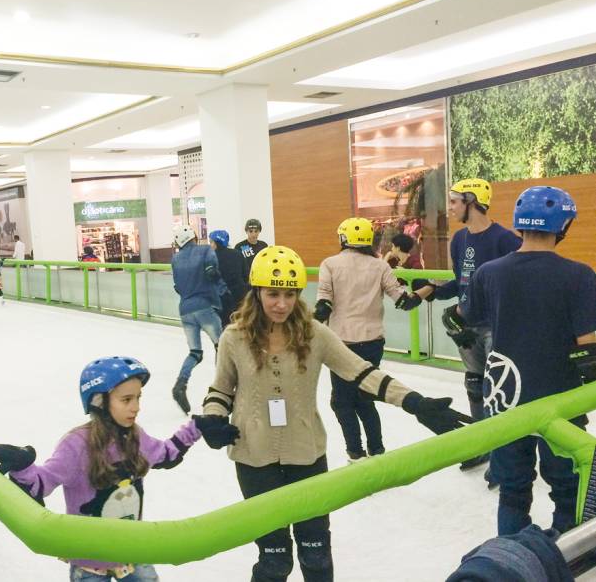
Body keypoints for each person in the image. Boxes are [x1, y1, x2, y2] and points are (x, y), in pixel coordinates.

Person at [199, 245, 471, 582]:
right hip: (253, 459)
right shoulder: (234, 337)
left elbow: (362, 372)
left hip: (306, 455)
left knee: (316, 555)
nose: (282, 304)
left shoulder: (315, 334)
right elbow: (221, 389)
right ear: (257, 292)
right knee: (274, 560)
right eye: (272, 294)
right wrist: (213, 418)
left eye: (290, 294)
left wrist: (414, 402)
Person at [0, 356, 235, 582]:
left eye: (138, 398)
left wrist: (197, 427)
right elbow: (41, 482)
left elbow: (165, 454)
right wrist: (21, 464)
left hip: (132, 552)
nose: (136, 408)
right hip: (90, 564)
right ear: (99, 401)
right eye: (126, 400)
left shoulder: (135, 436)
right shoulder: (76, 445)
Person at [451, 186, 596, 536]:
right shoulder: (580, 276)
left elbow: (462, 317)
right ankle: (564, 559)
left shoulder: (489, 272)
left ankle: (514, 558)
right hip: (559, 401)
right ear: (563, 226)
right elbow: (589, 352)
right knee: (567, 488)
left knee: (513, 490)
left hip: (505, 398)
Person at [414, 178, 521, 476]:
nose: (450, 207)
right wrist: (430, 292)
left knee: (498, 390)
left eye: (454, 200)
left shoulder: (506, 240)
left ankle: (505, 454)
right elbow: (463, 283)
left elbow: (515, 287)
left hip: (496, 327)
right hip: (467, 327)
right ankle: (480, 445)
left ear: (471, 201)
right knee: (474, 384)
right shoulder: (459, 239)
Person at [315, 218, 422, 463]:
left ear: (343, 238)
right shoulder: (380, 266)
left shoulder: (330, 264)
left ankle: (356, 453)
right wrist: (425, 291)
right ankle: (377, 450)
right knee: (365, 397)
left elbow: (324, 304)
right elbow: (403, 301)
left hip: (341, 345)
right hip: (373, 342)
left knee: (342, 402)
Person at [171, 225, 224, 415]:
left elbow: (177, 286)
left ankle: (181, 382)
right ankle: (223, 386)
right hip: (204, 306)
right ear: (193, 236)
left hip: (185, 309)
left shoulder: (175, 259)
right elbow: (213, 272)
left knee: (195, 352)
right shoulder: (205, 250)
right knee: (222, 345)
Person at [209, 229, 248, 328]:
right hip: (239, 297)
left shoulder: (211, 258)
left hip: (221, 300)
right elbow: (246, 275)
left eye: (211, 242)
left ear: (216, 243)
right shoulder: (237, 254)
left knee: (224, 330)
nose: (210, 245)